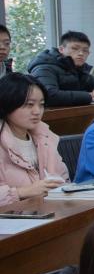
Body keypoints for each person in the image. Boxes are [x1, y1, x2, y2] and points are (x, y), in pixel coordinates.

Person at [0, 73, 69, 203]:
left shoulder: (46, 137)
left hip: (49, 209)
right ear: (8, 103)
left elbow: (64, 179)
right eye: (29, 104)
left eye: (41, 104)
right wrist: (23, 192)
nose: (37, 111)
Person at [27, 31, 94, 107]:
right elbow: (49, 95)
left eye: (85, 50)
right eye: (75, 48)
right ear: (61, 49)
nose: (81, 53)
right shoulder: (44, 68)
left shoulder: (81, 70)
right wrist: (89, 96)